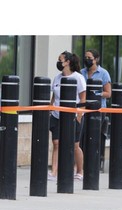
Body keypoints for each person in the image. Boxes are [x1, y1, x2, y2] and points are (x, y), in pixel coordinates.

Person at [48, 51, 86, 181]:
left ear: (68, 62)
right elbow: (54, 97)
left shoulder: (78, 77)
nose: (58, 62)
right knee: (56, 143)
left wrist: (79, 115)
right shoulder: (57, 78)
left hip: (72, 116)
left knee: (74, 145)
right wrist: (50, 108)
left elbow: (83, 98)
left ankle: (80, 170)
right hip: (57, 115)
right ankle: (54, 172)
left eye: (60, 59)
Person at [80, 49, 112, 171]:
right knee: (82, 135)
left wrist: (95, 93)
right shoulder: (81, 72)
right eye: (85, 57)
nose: (87, 60)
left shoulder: (103, 73)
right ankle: (82, 163)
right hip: (83, 108)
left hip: (98, 109)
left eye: (89, 57)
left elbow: (108, 93)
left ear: (96, 59)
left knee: (95, 136)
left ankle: (96, 163)